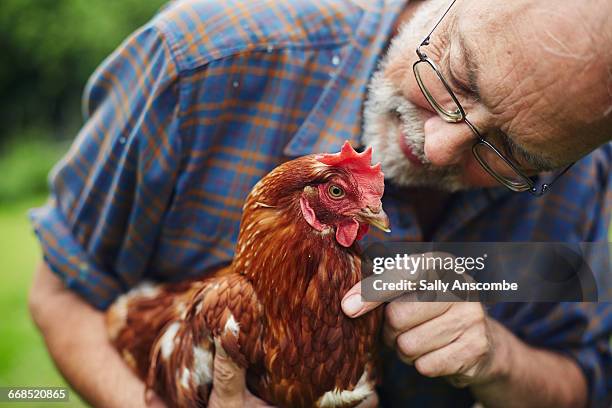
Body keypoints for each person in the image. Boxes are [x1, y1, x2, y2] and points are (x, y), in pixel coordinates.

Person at [28, 0, 611, 407]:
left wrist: (501, 362)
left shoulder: (578, 179)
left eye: (509, 151)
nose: (436, 147)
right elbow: (59, 291)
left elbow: (588, 378)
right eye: (459, 78)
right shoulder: (196, 64)